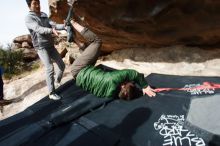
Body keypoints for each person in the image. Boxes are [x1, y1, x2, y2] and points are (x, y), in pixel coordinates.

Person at [68, 1, 156, 100]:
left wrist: (145, 86)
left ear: (122, 86)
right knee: (91, 51)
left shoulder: (113, 79)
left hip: (79, 68)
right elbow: (128, 89)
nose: (127, 82)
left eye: (127, 83)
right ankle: (74, 39)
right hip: (80, 77)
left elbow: (133, 74)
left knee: (96, 42)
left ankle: (71, 22)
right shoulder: (110, 95)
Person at [25, 0, 66, 100]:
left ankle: (57, 81)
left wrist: (64, 25)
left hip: (50, 46)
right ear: (29, 6)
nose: (38, 5)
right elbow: (38, 29)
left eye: (38, 2)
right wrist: (51, 31)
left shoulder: (44, 15)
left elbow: (54, 25)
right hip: (41, 47)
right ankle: (51, 93)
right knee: (50, 68)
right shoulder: (29, 18)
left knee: (62, 65)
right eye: (35, 3)